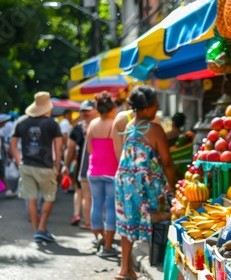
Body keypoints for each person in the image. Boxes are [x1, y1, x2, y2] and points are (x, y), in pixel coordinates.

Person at [114, 85, 176, 279]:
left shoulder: (129, 125)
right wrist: (172, 184)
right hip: (143, 183)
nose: (157, 108)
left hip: (125, 181)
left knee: (127, 222)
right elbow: (166, 161)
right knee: (159, 217)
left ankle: (125, 269)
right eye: (155, 104)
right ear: (146, 107)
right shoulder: (155, 129)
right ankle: (158, 262)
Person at [10, 91, 63, 242]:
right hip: (46, 166)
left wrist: (18, 159)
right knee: (49, 197)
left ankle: (36, 231)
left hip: (26, 165)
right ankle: (41, 228)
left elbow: (12, 143)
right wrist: (57, 165)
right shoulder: (52, 124)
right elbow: (58, 148)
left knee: (31, 199)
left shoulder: (21, 121)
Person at [86, 92, 119, 257]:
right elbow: (118, 149)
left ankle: (99, 238)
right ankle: (108, 246)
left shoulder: (92, 124)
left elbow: (89, 149)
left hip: (94, 171)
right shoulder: (115, 125)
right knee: (111, 206)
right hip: (112, 171)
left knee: (96, 204)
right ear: (112, 108)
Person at [61, 100, 98, 228]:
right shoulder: (79, 129)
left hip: (94, 165)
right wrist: (65, 164)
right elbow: (70, 148)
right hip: (82, 164)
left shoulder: (97, 126)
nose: (86, 113)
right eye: (83, 110)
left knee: (85, 193)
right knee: (82, 192)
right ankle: (81, 217)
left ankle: (84, 218)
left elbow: (70, 148)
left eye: (88, 110)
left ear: (95, 110)